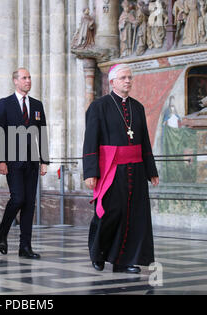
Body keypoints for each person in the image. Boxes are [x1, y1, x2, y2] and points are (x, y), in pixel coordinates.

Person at [83, 63, 159, 274]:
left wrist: (151, 170)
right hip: (111, 170)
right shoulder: (98, 106)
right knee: (109, 212)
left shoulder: (138, 107)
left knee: (133, 216)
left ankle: (124, 260)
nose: (128, 81)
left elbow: (144, 141)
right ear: (113, 82)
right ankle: (98, 254)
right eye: (124, 77)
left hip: (136, 169)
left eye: (130, 78)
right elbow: (90, 141)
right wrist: (90, 172)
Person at [0, 68, 49, 259]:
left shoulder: (37, 105)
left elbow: (42, 133)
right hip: (12, 160)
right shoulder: (5, 104)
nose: (28, 80)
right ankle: (2, 232)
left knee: (29, 204)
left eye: (29, 77)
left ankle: (25, 247)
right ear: (15, 81)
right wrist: (0, 160)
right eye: (24, 78)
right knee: (18, 199)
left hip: (32, 161)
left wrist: (44, 160)